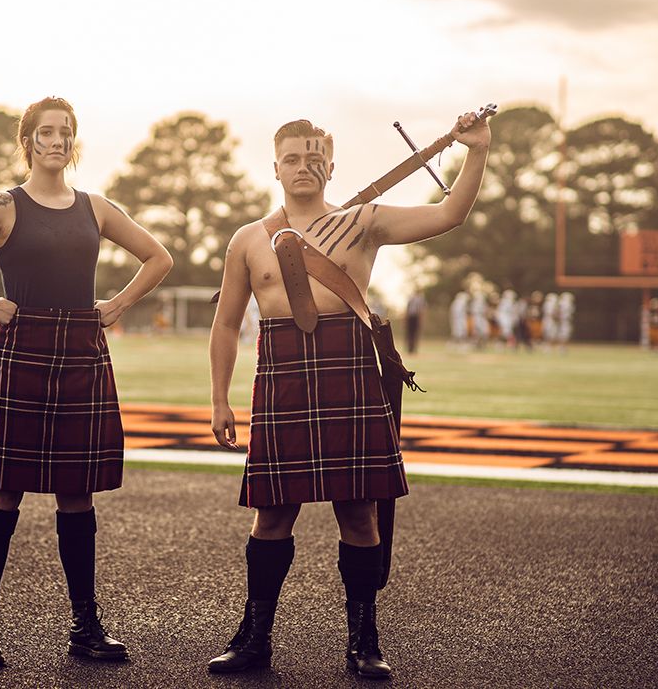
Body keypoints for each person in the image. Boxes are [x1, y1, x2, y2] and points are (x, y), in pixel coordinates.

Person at [207, 111, 490, 679]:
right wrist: (219, 399)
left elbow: (450, 214)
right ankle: (255, 638)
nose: (303, 167)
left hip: (350, 372)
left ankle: (364, 640)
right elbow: (226, 323)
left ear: (331, 168)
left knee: (360, 514)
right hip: (282, 377)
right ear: (276, 168)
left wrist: (477, 150)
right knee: (271, 515)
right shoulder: (249, 239)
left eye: (314, 159)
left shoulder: (364, 222)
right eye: (292, 159)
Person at [0, 96, 172, 668]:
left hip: (81, 350)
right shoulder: (1, 206)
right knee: (3, 489)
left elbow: (159, 257)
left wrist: (119, 304)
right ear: (28, 141)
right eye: (46, 132)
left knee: (77, 491)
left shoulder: (96, 208)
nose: (57, 141)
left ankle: (85, 626)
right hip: (21, 349)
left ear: (73, 141)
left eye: (65, 132)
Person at [404, 289, 426, 354]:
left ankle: (411, 348)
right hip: (413, 317)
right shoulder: (419, 299)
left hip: (413, 317)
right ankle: (411, 348)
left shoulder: (412, 299)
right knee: (413, 333)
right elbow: (420, 309)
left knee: (411, 333)